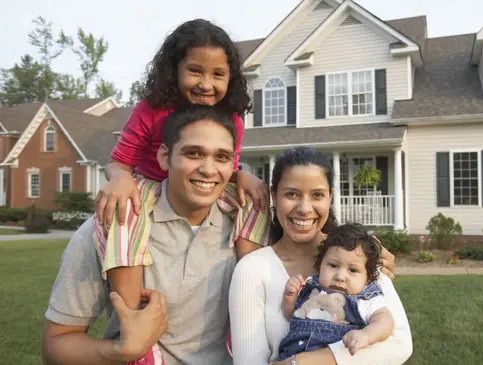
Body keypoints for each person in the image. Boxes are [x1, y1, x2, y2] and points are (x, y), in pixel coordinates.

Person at [92, 19, 269, 365]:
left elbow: (223, 167)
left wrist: (241, 177)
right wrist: (120, 179)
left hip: (201, 189)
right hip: (146, 184)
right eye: (195, 71)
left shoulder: (231, 119)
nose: (206, 84)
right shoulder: (151, 109)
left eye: (218, 74)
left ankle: (249, 300)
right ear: (174, 70)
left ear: (229, 78)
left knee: (256, 200)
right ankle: (136, 326)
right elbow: (119, 160)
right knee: (123, 211)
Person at [42, 105, 269, 365]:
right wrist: (122, 351)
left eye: (222, 157)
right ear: (164, 156)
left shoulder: (249, 229)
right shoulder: (110, 228)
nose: (208, 169)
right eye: (193, 153)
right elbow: (55, 345)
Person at [229, 147, 412, 365]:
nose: (305, 208)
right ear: (274, 196)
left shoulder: (359, 256)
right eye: (292, 194)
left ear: (330, 197)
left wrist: (299, 363)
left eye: (317, 195)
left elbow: (400, 344)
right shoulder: (252, 270)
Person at [278, 223, 395, 360]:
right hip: (292, 354)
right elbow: (291, 315)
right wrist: (290, 297)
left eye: (353, 270)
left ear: (367, 278)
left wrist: (366, 335)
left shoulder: (364, 298)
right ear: (320, 265)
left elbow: (385, 321)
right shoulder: (311, 286)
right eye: (333, 265)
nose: (340, 276)